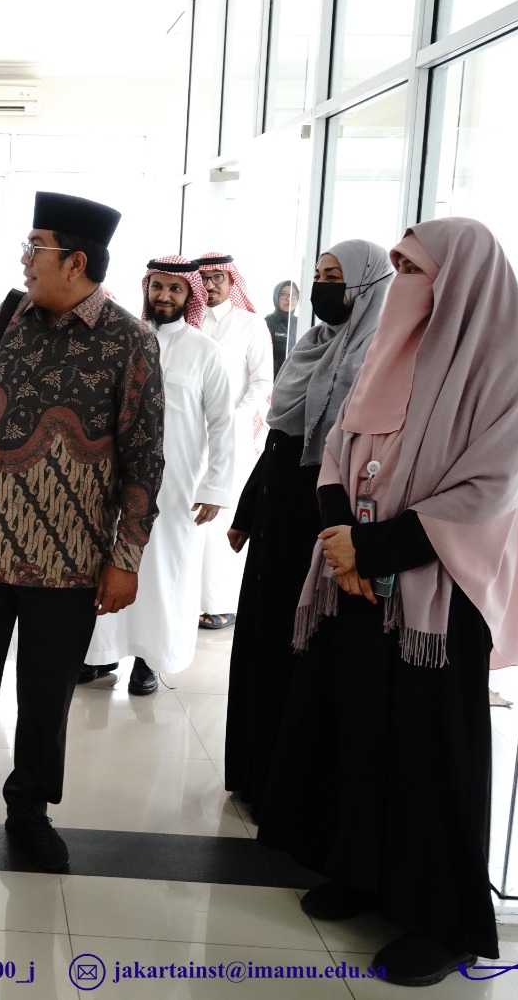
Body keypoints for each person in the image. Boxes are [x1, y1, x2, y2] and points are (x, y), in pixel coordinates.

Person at [254, 217, 518, 986]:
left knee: (429, 753)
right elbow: (339, 446)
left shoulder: (503, 366)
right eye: (400, 269)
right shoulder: (392, 348)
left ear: (460, 281)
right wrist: (341, 536)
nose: (403, 284)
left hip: (436, 596)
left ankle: (443, 919)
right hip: (356, 577)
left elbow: (491, 488)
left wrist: (375, 549)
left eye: (415, 270)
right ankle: (365, 871)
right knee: (359, 729)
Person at [0, 191, 166, 872]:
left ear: (75, 262)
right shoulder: (10, 314)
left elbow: (144, 458)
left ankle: (29, 808)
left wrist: (126, 557)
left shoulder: (130, 342)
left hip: (68, 561)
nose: (24, 259)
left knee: (45, 695)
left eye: (35, 248)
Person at [222, 240, 392, 815]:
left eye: (336, 276)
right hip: (278, 514)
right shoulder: (310, 345)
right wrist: (249, 510)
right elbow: (280, 441)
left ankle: (287, 788)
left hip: (324, 524)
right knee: (264, 639)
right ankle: (253, 771)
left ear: (368, 286)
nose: (323, 286)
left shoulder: (379, 355)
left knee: (302, 643)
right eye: (319, 274)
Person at [84, 256, 233, 694]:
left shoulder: (205, 351)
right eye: (157, 287)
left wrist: (215, 486)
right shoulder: (124, 340)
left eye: (175, 289)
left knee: (164, 569)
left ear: (189, 295)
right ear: (147, 289)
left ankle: (151, 659)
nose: (164, 296)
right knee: (111, 558)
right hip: (118, 475)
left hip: (176, 483)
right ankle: (102, 653)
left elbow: (222, 423)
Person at [194, 251, 273, 629]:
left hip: (231, 439)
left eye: (217, 278)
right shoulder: (189, 321)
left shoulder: (249, 324)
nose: (209, 285)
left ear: (231, 281)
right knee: (189, 516)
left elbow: (262, 382)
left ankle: (220, 603)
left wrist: (233, 420)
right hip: (189, 437)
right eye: (203, 278)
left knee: (220, 518)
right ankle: (189, 599)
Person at [267, 280, 300, 374]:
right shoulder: (267, 323)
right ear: (276, 297)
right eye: (284, 294)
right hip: (274, 375)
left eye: (294, 295)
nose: (289, 299)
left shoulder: (301, 323)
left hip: (298, 374)